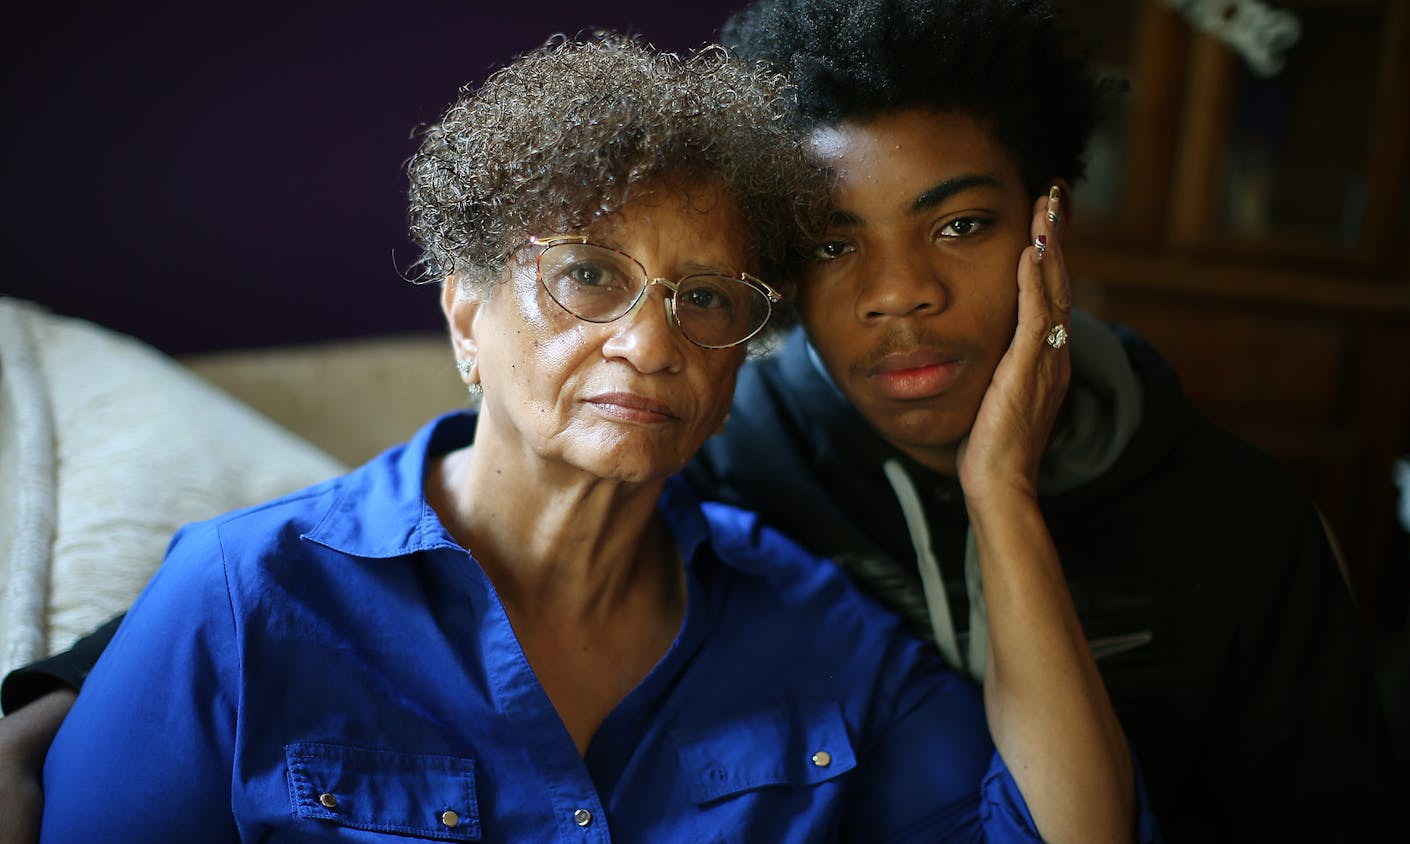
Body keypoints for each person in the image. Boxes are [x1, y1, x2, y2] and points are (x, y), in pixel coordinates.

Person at [22, 32, 1155, 843]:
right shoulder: (240, 596)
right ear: (465, 310)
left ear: (734, 360)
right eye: (586, 277)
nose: (648, 344)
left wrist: (998, 486)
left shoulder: (819, 638)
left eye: (705, 299)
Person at [683, 0, 1408, 841]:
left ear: (1048, 221)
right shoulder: (723, 476)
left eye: (960, 226)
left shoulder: (1237, 520)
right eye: (831, 245)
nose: (900, 293)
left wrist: (1001, 490)